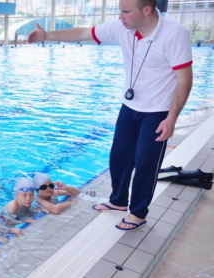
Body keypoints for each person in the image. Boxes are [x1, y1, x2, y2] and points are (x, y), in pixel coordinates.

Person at [27, 0, 193, 231]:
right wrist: (47, 35)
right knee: (119, 157)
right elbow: (84, 32)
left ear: (146, 10)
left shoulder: (174, 34)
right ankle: (118, 201)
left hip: (158, 111)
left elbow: (184, 78)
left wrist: (172, 117)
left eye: (125, 11)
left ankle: (138, 213)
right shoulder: (122, 27)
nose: (120, 16)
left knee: (146, 163)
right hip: (130, 106)